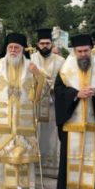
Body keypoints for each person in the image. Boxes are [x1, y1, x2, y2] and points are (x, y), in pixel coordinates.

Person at [0, 33, 46, 189]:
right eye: (10, 47)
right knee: (1, 148)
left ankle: (23, 185)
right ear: (6, 48)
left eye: (16, 48)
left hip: (22, 122)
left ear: (22, 49)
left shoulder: (31, 66)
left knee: (22, 150)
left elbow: (42, 93)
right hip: (1, 121)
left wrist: (38, 75)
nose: (13, 50)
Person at [54, 33, 95, 189]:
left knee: (93, 163)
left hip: (93, 126)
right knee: (69, 162)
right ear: (74, 51)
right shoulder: (65, 69)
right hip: (72, 125)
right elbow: (58, 91)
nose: (83, 54)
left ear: (91, 49)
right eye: (79, 51)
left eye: (86, 51)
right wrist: (75, 94)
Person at [30, 28, 65, 179]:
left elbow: (63, 84)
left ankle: (50, 169)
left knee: (51, 137)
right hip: (35, 105)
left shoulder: (61, 61)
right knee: (35, 135)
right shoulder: (30, 59)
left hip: (52, 105)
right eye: (42, 43)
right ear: (37, 44)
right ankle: (34, 168)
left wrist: (42, 78)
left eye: (47, 43)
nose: (45, 46)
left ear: (51, 44)